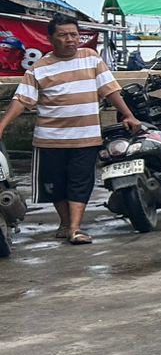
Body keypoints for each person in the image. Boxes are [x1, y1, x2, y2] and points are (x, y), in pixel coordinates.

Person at [0, 14, 142, 245]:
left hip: (85, 137)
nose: (70, 40)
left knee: (80, 183)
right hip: (50, 139)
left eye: (74, 35)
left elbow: (110, 89)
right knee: (56, 185)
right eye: (63, 35)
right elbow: (22, 100)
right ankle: (66, 223)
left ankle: (75, 228)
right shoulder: (39, 68)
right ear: (51, 38)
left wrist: (128, 114)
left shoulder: (92, 58)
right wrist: (2, 126)